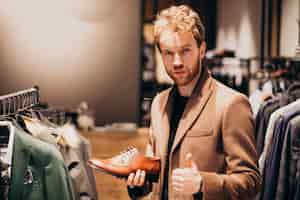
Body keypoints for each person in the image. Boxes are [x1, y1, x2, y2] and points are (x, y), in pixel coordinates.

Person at [127, 5, 261, 200]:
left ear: (202, 49)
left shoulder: (231, 104)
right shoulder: (159, 104)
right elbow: (155, 177)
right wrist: (139, 184)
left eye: (185, 50)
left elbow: (250, 182)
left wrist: (202, 183)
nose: (177, 62)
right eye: (168, 53)